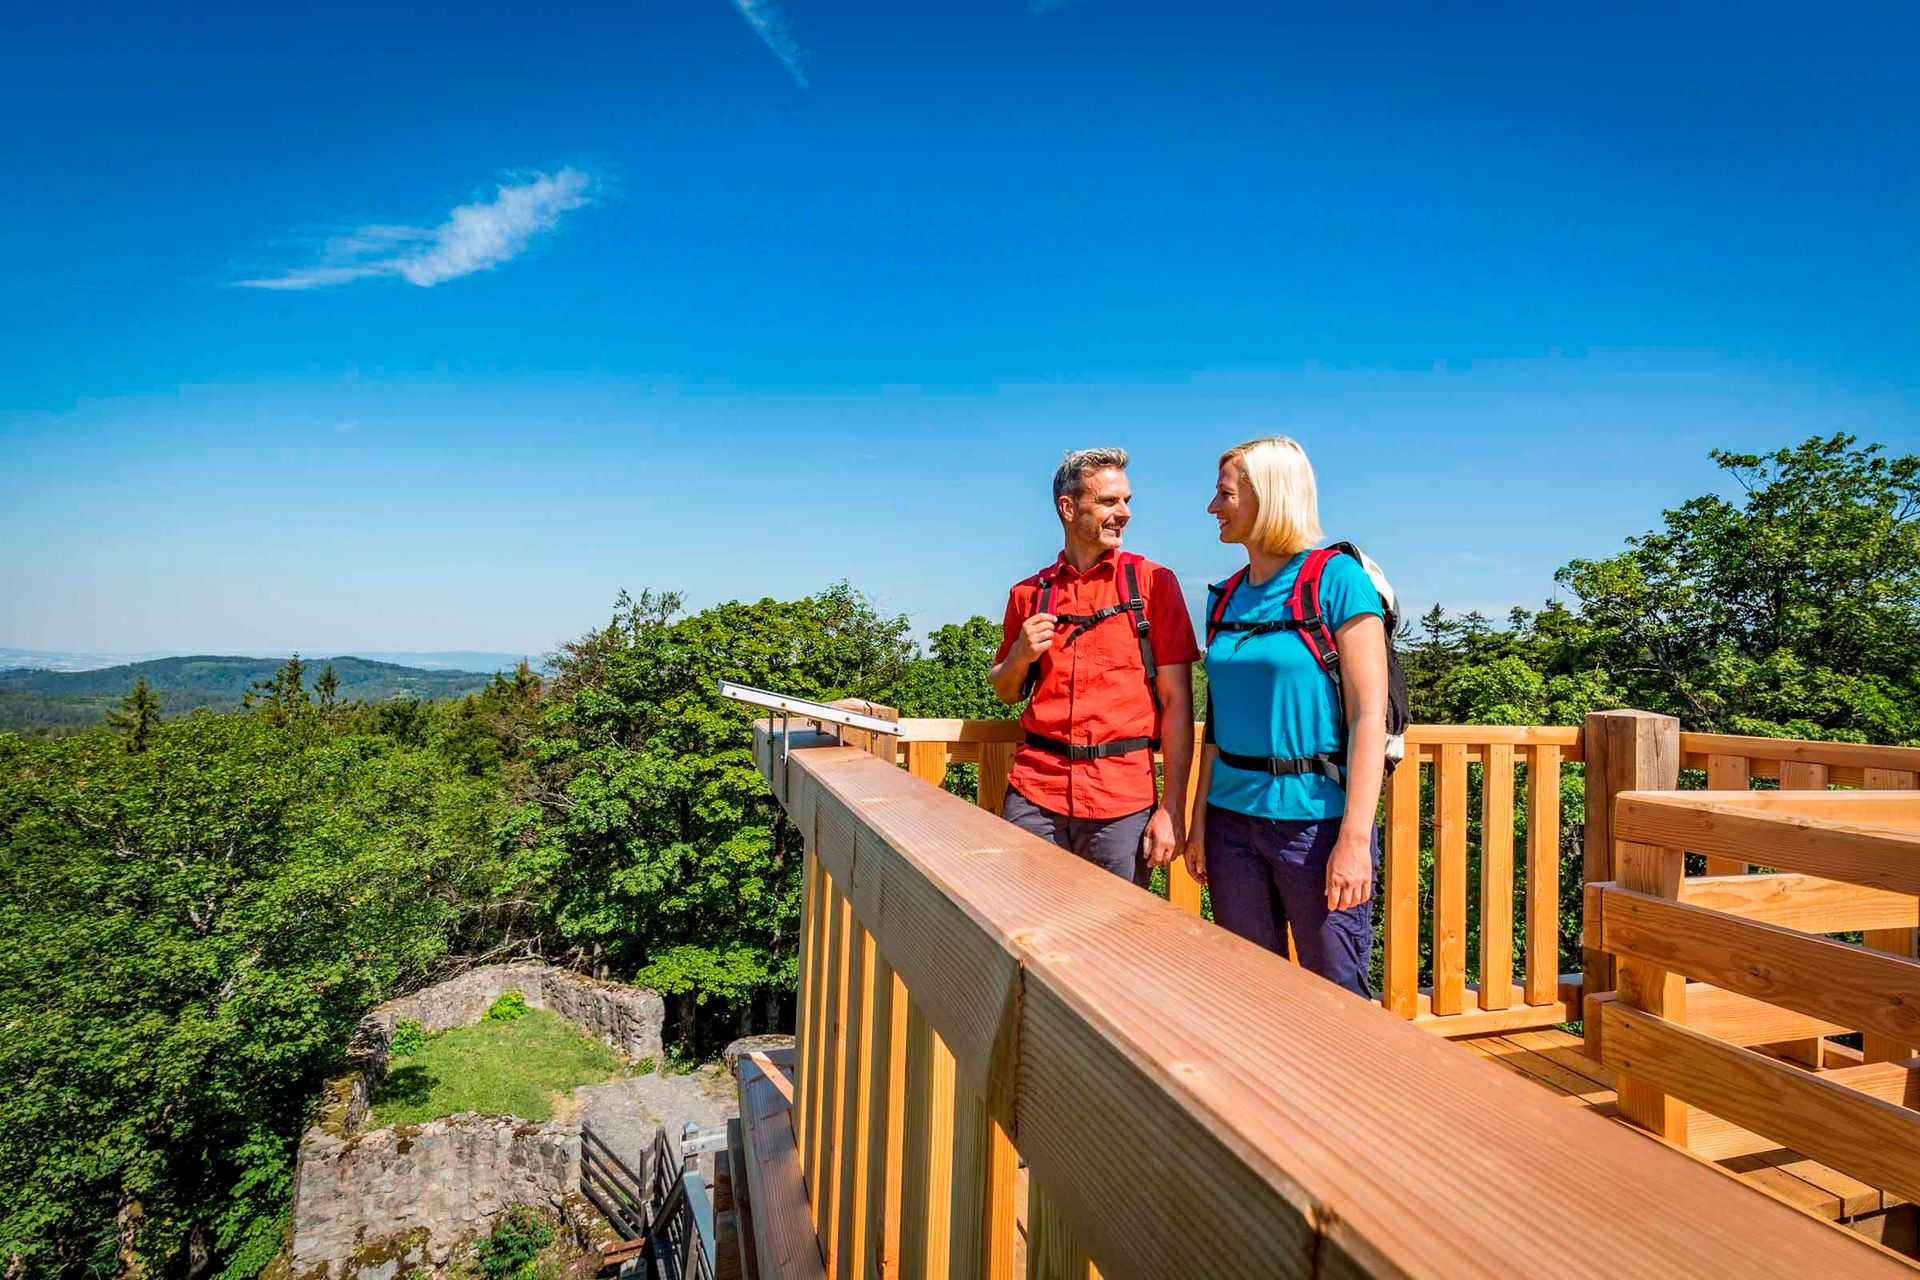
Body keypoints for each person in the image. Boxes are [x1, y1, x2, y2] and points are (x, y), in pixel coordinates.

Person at [1182, 437, 1388, 999]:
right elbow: (1216, 722)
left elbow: (1370, 716)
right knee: (1251, 990)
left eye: (1224, 494)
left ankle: (1349, 1091)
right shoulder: (1222, 597)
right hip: (1230, 824)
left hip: (1316, 825)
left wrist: (1354, 838)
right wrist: (1198, 821)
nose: (1212, 507)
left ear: (1267, 497)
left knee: (1336, 991)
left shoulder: (1337, 580)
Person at [987, 448, 1200, 885]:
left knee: (1114, 938)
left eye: (1126, 501)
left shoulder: (1153, 584)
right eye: (1108, 501)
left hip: (1121, 802)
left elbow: (1178, 701)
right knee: (1027, 928)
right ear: (1068, 507)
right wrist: (1019, 655)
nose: (1124, 513)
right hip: (1034, 793)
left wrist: (1173, 807)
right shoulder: (1028, 593)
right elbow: (1006, 689)